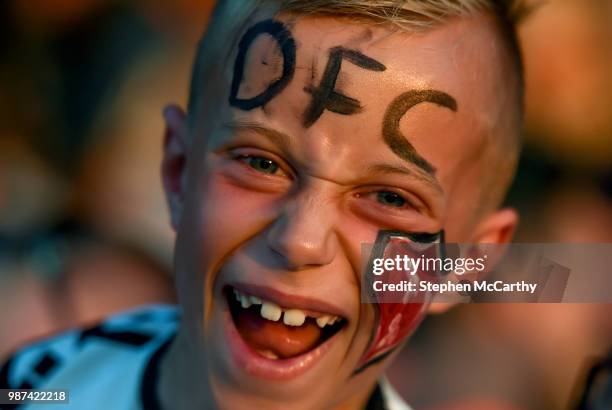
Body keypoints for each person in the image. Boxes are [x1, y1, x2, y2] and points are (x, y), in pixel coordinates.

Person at [0, 0, 526, 409]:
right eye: (261, 163)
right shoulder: (41, 384)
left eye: (390, 198)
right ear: (179, 173)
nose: (299, 239)